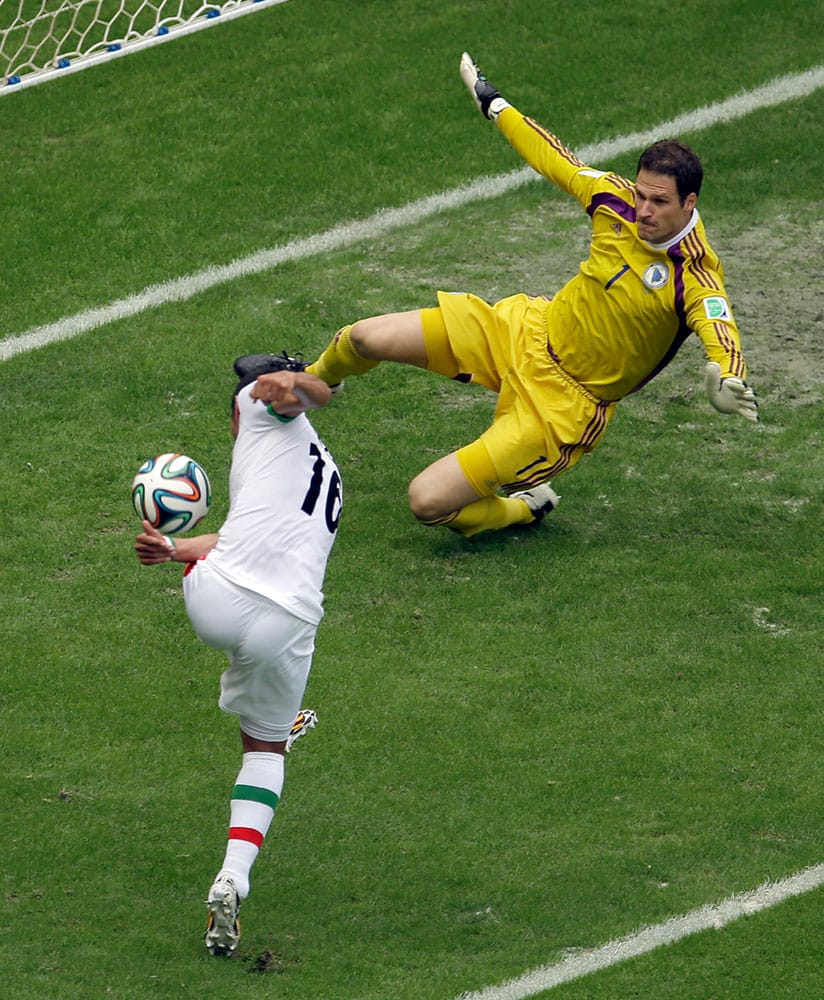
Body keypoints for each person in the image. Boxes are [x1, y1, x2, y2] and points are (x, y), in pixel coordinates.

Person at [296, 52, 758, 539]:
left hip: (562, 407)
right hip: (525, 331)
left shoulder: (695, 274)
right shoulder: (614, 200)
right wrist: (495, 105)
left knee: (427, 502)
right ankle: (305, 384)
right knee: (365, 338)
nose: (642, 210)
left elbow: (719, 330)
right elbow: (555, 158)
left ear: (690, 202)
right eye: (642, 194)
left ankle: (525, 508)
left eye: (658, 201)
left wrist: (727, 375)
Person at [134, 357, 342, 956]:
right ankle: (234, 874)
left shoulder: (260, 407)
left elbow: (318, 392)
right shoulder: (318, 467)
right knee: (265, 749)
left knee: (263, 719)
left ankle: (270, 714)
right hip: (287, 621)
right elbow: (239, 537)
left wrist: (295, 384)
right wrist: (176, 548)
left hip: (216, 601)